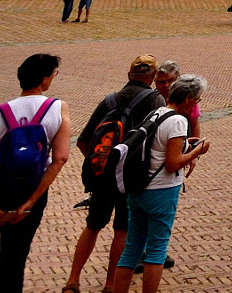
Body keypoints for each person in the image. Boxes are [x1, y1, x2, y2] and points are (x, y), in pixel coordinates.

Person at [0, 52, 68, 293]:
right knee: (12, 264)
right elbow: (60, 158)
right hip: (28, 196)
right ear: (45, 80)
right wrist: (30, 201)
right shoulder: (58, 108)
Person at [65, 54, 166, 293]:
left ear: (129, 75)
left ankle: (72, 281)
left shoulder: (110, 100)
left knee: (93, 226)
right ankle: (110, 285)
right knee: (122, 231)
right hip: (130, 179)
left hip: (102, 177)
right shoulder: (155, 101)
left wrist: (101, 165)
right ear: (152, 77)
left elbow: (83, 141)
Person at [108, 76, 208, 293]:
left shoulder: (157, 113)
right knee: (156, 250)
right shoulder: (179, 121)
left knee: (131, 250)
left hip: (138, 190)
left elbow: (158, 147)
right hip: (161, 191)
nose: (196, 105)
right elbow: (172, 164)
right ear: (188, 98)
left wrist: (184, 144)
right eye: (197, 100)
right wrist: (197, 151)